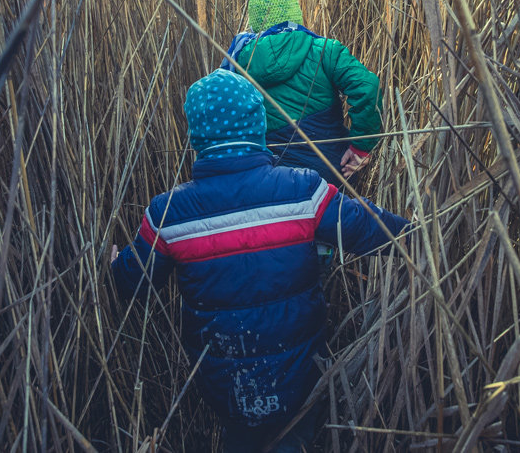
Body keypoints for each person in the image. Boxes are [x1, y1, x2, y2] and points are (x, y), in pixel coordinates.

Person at [110, 69, 409, 452]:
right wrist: (414, 234)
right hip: (302, 375)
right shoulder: (302, 190)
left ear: (196, 137)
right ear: (258, 125)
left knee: (241, 439)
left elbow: (132, 282)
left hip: (226, 386)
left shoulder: (168, 213)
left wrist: (117, 264)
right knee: (296, 438)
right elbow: (364, 227)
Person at [220, 0, 382, 187]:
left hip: (272, 181)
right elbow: (367, 86)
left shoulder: (237, 61)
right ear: (295, 12)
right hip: (332, 175)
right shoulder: (325, 50)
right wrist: (361, 146)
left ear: (255, 19)